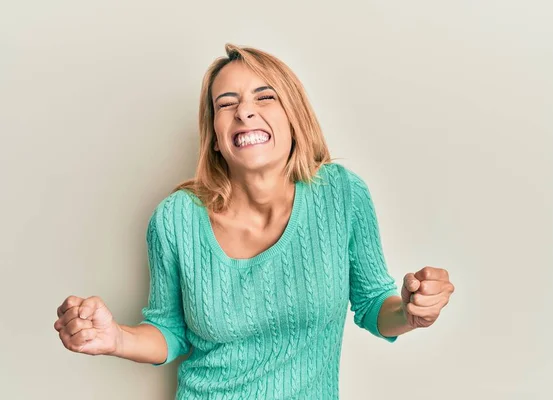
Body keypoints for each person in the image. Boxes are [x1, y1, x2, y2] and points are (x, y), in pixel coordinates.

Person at [54, 43, 455, 399]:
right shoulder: (176, 219)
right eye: (226, 103)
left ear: (294, 117)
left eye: (264, 97)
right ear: (214, 134)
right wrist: (115, 338)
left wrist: (410, 313)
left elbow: (372, 304)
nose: (245, 111)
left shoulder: (342, 195)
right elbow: (169, 332)